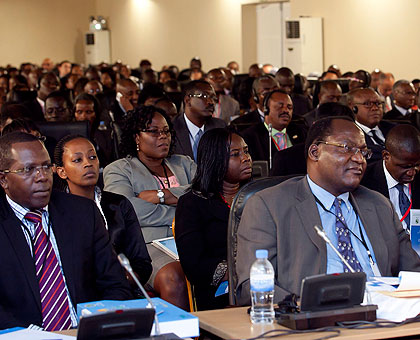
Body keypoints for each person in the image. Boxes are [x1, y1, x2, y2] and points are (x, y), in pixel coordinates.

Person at [235, 117, 420, 305]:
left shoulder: (379, 205)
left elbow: (414, 272)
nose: (359, 159)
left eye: (363, 152)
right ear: (315, 152)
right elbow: (252, 285)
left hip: (387, 317)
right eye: (347, 148)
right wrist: (303, 309)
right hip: (314, 322)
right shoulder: (268, 205)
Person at [0, 132, 132, 330]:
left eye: (46, 166)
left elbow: (115, 284)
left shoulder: (83, 213)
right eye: (28, 169)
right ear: (3, 180)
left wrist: (100, 327)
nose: (42, 177)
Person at [103, 105, 196, 310]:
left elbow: (203, 194)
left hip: (192, 238)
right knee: (174, 277)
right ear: (137, 137)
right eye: (153, 131)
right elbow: (129, 211)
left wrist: (161, 196)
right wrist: (183, 210)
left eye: (165, 131)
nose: (162, 137)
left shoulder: (184, 163)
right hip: (149, 244)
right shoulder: (120, 169)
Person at [54, 135, 152, 286]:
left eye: (92, 157)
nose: (88, 164)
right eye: (78, 160)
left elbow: (141, 263)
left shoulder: (119, 204)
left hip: (121, 290)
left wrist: (120, 282)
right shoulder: (54, 210)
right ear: (62, 172)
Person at [175, 128, 252, 310]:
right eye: (235, 154)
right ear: (215, 160)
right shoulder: (192, 203)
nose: (245, 158)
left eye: (246, 151)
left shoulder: (259, 195)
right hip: (220, 291)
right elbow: (194, 265)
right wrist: (239, 270)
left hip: (264, 283)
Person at [361, 124, 420, 232]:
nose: (412, 172)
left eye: (417, 165)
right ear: (386, 156)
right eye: (405, 167)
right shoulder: (364, 182)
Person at [242, 89, 306, 163]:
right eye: (280, 106)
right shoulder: (249, 137)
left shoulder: (302, 132)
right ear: (265, 110)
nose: (286, 110)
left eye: (289, 107)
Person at [172, 80, 226, 161]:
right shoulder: (171, 128)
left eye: (213, 98)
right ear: (188, 100)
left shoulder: (220, 126)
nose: (211, 102)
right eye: (204, 96)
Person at [348, 87, 395, 162]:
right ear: (353, 108)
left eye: (378, 103)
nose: (375, 108)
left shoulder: (394, 129)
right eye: (367, 104)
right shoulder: (350, 135)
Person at [73, 93, 115, 167]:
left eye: (88, 112)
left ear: (96, 113)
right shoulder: (69, 135)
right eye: (79, 112)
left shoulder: (105, 135)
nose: (84, 116)